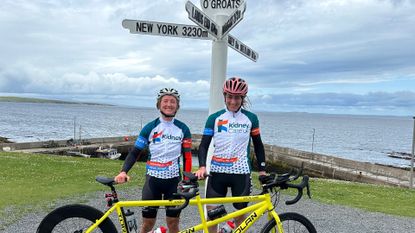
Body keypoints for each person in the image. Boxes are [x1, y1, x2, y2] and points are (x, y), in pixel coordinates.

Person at [115, 88, 192, 233]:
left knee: (173, 223)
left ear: (177, 106)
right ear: (159, 105)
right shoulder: (150, 128)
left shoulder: (183, 129)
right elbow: (135, 152)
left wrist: (187, 180)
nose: (169, 104)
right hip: (152, 181)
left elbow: (187, 157)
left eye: (173, 102)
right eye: (165, 101)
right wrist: (123, 171)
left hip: (173, 181)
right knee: (148, 223)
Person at [195, 77, 266, 232]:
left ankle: (229, 228)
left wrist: (262, 170)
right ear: (225, 96)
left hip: (240, 173)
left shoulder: (251, 119)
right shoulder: (214, 118)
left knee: (241, 214)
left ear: (242, 98)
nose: (233, 101)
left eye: (237, 97)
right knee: (213, 215)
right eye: (229, 97)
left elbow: (259, 146)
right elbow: (203, 145)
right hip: (217, 173)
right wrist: (201, 166)